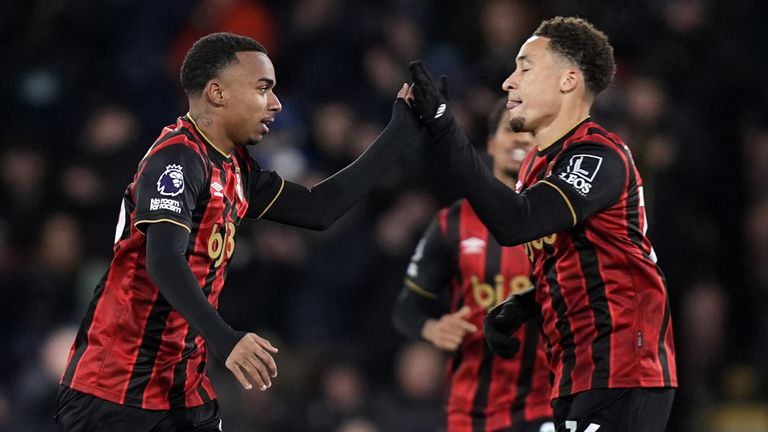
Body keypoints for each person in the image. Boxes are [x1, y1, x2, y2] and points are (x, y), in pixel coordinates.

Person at [55, 32, 422, 431]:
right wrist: (225, 338)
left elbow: (320, 208)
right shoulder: (176, 159)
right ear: (218, 93)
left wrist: (400, 131)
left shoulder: (236, 169)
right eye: (263, 88)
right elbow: (161, 259)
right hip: (116, 390)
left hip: (183, 390)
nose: (276, 104)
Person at [405, 16, 677, 432]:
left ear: (568, 81)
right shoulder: (536, 165)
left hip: (624, 370)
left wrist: (445, 129)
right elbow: (584, 256)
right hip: (575, 374)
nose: (508, 82)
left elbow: (516, 223)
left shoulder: (598, 156)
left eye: (525, 67)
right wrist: (523, 305)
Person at [393, 99, 554, 432]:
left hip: (547, 404)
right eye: (513, 130)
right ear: (492, 144)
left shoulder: (562, 220)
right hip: (470, 410)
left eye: (530, 133)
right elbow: (408, 308)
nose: (522, 140)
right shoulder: (452, 223)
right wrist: (431, 330)